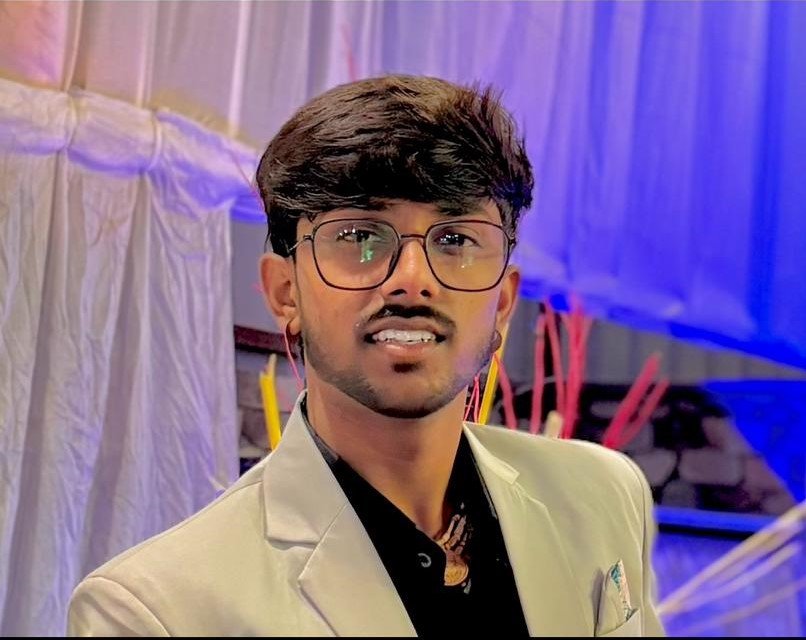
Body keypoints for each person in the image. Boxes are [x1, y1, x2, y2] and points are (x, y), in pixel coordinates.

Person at [68, 75, 665, 637]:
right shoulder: (158, 611)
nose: (412, 280)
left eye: (455, 239)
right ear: (285, 292)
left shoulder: (602, 495)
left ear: (503, 302)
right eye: (359, 236)